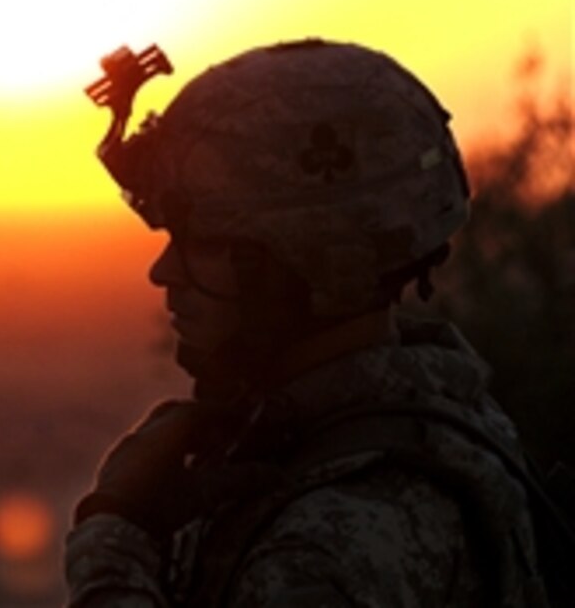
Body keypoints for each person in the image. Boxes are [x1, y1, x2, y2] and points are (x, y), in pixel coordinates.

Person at [65, 39, 558, 606]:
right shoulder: (449, 415)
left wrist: (114, 537)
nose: (163, 272)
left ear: (302, 261)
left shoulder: (321, 549)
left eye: (202, 245)